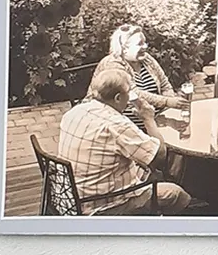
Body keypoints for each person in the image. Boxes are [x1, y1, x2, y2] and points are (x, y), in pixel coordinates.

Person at [57, 66, 192, 215]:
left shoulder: (74, 112)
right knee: (176, 194)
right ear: (118, 98)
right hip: (101, 207)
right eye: (129, 93)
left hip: (68, 198)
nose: (130, 98)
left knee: (148, 171)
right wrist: (148, 119)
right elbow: (160, 155)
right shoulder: (117, 125)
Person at [95, 24, 180, 122]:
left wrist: (166, 110)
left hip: (154, 121)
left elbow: (165, 84)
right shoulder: (112, 64)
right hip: (122, 125)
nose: (145, 46)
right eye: (140, 43)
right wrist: (166, 101)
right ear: (124, 48)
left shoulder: (146, 59)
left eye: (145, 42)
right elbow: (132, 93)